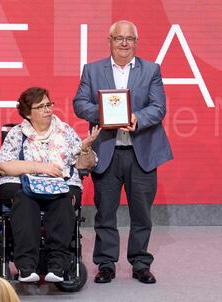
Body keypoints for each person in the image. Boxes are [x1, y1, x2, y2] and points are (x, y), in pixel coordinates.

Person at [73, 20, 173, 284]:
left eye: (130, 39)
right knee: (105, 212)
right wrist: (104, 114)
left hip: (142, 152)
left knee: (141, 212)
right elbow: (80, 104)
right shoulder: (92, 70)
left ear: (136, 42)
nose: (124, 43)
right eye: (119, 38)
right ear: (110, 40)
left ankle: (140, 263)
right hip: (107, 152)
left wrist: (136, 117)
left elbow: (159, 107)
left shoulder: (151, 69)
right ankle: (106, 264)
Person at [0, 87, 100, 283]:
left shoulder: (65, 131)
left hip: (59, 185)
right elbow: (4, 166)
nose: (48, 109)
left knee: (63, 200)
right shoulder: (17, 134)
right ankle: (26, 266)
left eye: (49, 104)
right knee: (24, 200)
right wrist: (40, 167)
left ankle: (57, 265)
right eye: (42, 106)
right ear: (28, 113)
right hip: (23, 185)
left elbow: (85, 165)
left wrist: (85, 149)